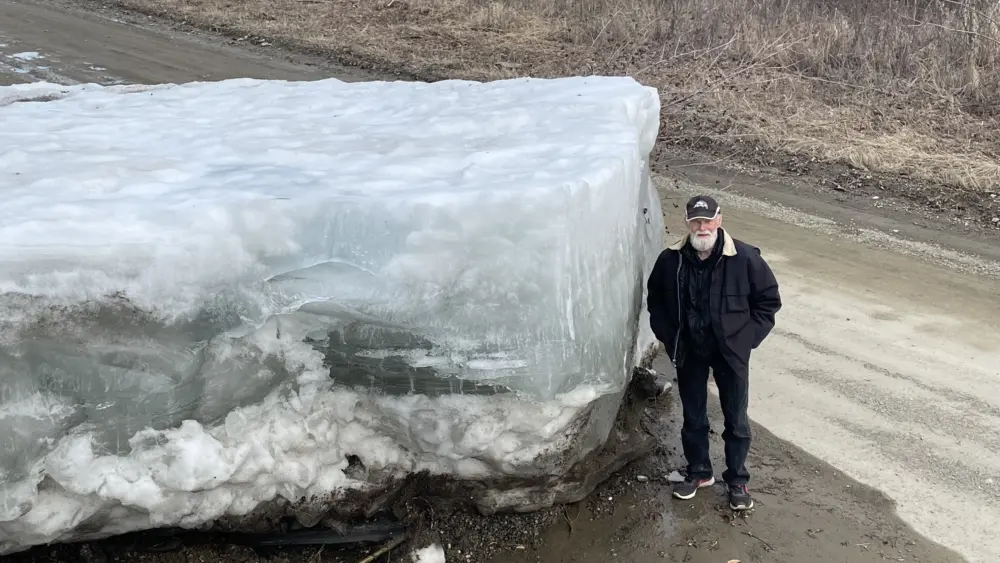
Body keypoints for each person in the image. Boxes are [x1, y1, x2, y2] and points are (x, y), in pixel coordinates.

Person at [646, 194, 781, 511]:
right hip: (689, 351)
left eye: (707, 220)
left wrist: (746, 339)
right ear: (688, 223)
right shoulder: (671, 259)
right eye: (695, 220)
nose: (701, 226)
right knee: (693, 417)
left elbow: (768, 302)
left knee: (736, 420)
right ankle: (699, 472)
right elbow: (656, 303)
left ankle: (737, 480)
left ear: (719, 220)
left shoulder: (744, 257)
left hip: (730, 353)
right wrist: (669, 337)